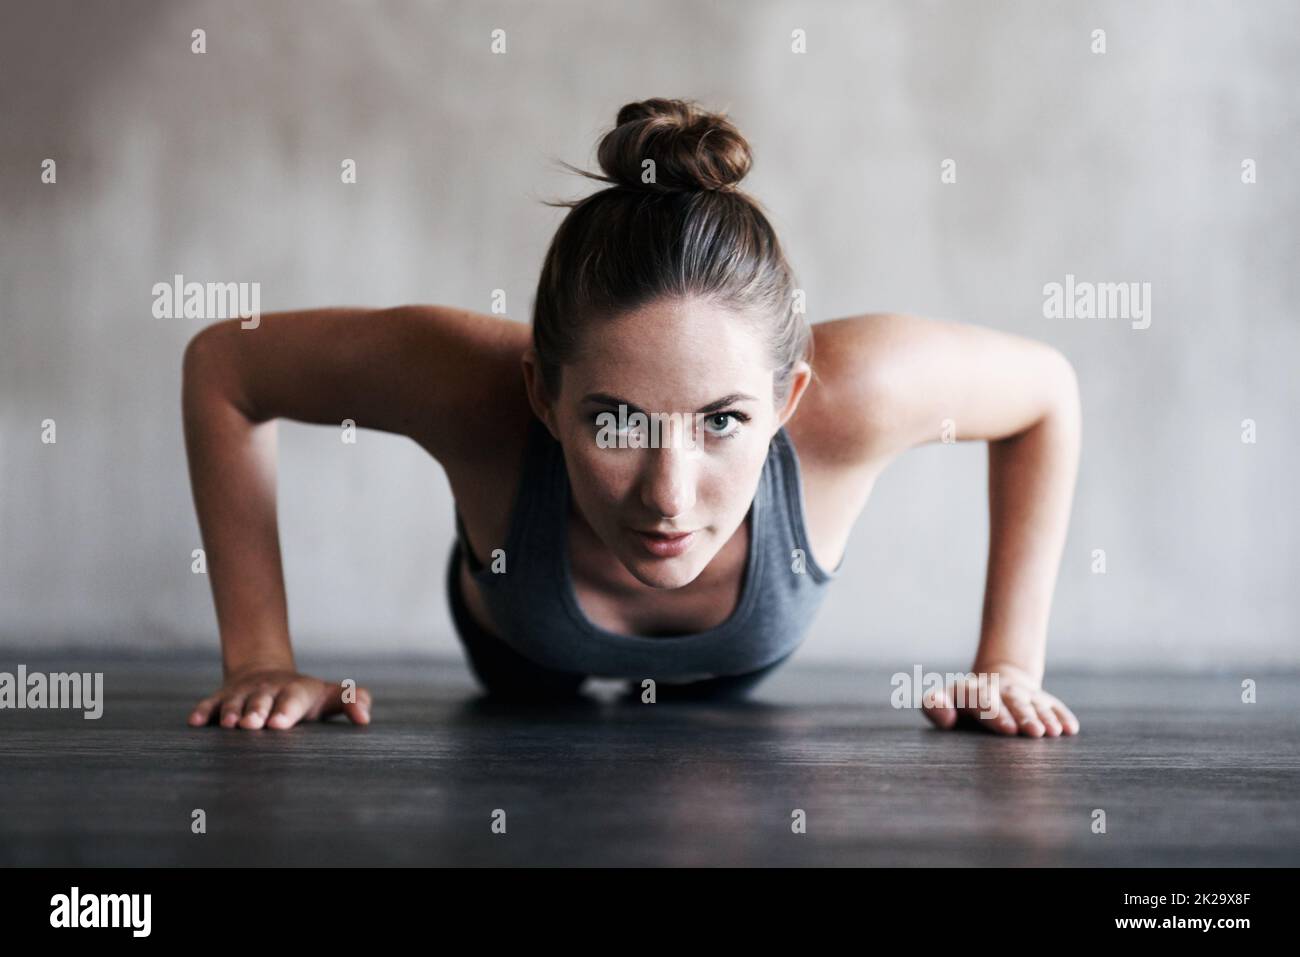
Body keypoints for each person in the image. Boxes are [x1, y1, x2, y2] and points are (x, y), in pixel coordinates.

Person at [182, 97, 1081, 737]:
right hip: (521, 661)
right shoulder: (468, 387)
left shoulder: (858, 397)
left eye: (723, 422)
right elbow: (227, 367)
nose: (668, 496)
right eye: (615, 421)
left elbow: (1045, 395)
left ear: (787, 400)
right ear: (543, 394)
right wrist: (259, 658)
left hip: (731, 679)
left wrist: (1008, 664)